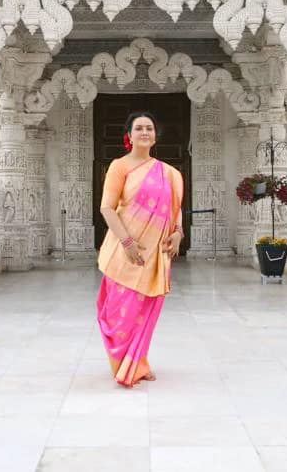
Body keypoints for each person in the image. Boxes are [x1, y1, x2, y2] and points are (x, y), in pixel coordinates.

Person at [97, 111, 184, 387]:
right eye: (139, 128)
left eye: (149, 128)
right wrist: (127, 243)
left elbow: (175, 209)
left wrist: (179, 234)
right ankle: (123, 362)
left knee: (143, 312)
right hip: (125, 253)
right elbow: (107, 208)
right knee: (118, 313)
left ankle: (139, 363)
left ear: (155, 135)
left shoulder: (169, 173)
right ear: (130, 135)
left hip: (155, 255)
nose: (144, 132)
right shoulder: (119, 167)